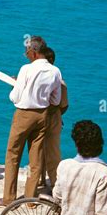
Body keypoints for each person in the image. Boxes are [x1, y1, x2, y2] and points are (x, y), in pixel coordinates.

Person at [0, 36, 62, 208]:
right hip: (43, 115)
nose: (26, 55)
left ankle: (9, 198)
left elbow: (14, 97)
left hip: (24, 115)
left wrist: (15, 86)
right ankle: (31, 199)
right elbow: (56, 99)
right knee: (36, 157)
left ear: (34, 51)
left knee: (13, 155)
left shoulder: (26, 69)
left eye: (27, 52)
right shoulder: (55, 71)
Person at [40, 46, 69, 189]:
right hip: (54, 118)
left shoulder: (34, 76)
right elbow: (64, 105)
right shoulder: (60, 81)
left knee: (37, 152)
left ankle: (40, 181)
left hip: (36, 119)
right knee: (53, 153)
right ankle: (55, 183)